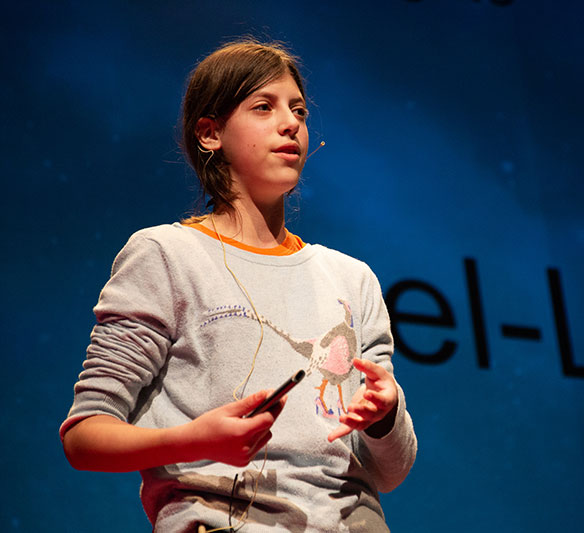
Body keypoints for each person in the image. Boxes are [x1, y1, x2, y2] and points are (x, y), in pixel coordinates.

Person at [60, 39, 417, 533]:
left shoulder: (352, 278)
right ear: (210, 133)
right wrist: (197, 440)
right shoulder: (166, 255)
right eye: (263, 107)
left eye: (298, 110)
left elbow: (392, 471)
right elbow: (84, 438)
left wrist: (384, 414)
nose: (290, 123)